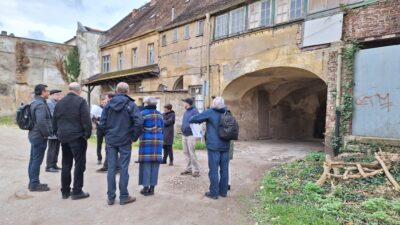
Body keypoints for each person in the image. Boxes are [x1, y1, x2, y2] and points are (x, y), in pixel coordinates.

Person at [100, 82, 142, 205]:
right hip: (125, 140)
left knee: (111, 168)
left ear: (117, 91)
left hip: (111, 140)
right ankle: (124, 196)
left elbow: (102, 124)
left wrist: (108, 135)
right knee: (123, 168)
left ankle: (111, 197)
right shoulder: (131, 104)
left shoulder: (108, 105)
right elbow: (139, 123)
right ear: (127, 91)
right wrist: (133, 137)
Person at [53, 82, 92, 200]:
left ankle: (65, 191)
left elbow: (54, 120)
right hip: (77, 137)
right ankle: (77, 191)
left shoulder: (59, 103)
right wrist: (87, 135)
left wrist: (57, 133)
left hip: (64, 137)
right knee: (79, 164)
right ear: (79, 91)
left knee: (66, 163)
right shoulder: (81, 101)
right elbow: (86, 120)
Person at [190, 96, 230, 200]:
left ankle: (214, 193)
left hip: (214, 146)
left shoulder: (210, 112)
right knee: (224, 169)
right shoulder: (228, 112)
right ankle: (223, 192)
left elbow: (194, 119)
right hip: (225, 145)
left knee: (213, 169)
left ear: (214, 104)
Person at [27, 84, 52, 192]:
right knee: (36, 160)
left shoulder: (34, 102)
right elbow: (41, 121)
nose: (48, 93)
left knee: (33, 159)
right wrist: (46, 134)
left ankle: (32, 182)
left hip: (34, 134)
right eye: (47, 91)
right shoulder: (40, 104)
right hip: (39, 136)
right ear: (43, 92)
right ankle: (34, 184)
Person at [138, 97, 163, 196]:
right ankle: (152, 189)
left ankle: (145, 188)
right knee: (155, 164)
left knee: (146, 164)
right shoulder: (160, 114)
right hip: (158, 141)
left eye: (144, 103)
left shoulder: (143, 114)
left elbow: (138, 126)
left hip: (146, 141)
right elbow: (162, 127)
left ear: (147, 104)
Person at [96, 92, 121, 173]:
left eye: (106, 98)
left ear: (110, 98)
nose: (105, 100)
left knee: (112, 149)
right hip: (111, 131)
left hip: (111, 131)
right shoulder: (111, 106)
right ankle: (106, 166)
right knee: (108, 149)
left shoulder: (110, 107)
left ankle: (117, 168)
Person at [180, 98, 200, 177]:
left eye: (184, 102)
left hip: (191, 134)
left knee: (192, 153)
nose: (183, 104)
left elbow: (197, 121)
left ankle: (196, 170)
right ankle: (188, 169)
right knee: (186, 152)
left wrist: (189, 128)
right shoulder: (186, 112)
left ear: (188, 103)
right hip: (184, 134)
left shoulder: (194, 111)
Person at [45, 89, 62, 173]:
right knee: (52, 149)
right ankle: (49, 166)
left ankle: (54, 164)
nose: (59, 96)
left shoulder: (57, 103)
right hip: (52, 129)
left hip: (58, 130)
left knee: (57, 148)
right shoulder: (49, 103)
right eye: (57, 94)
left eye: (59, 95)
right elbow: (52, 115)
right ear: (52, 95)